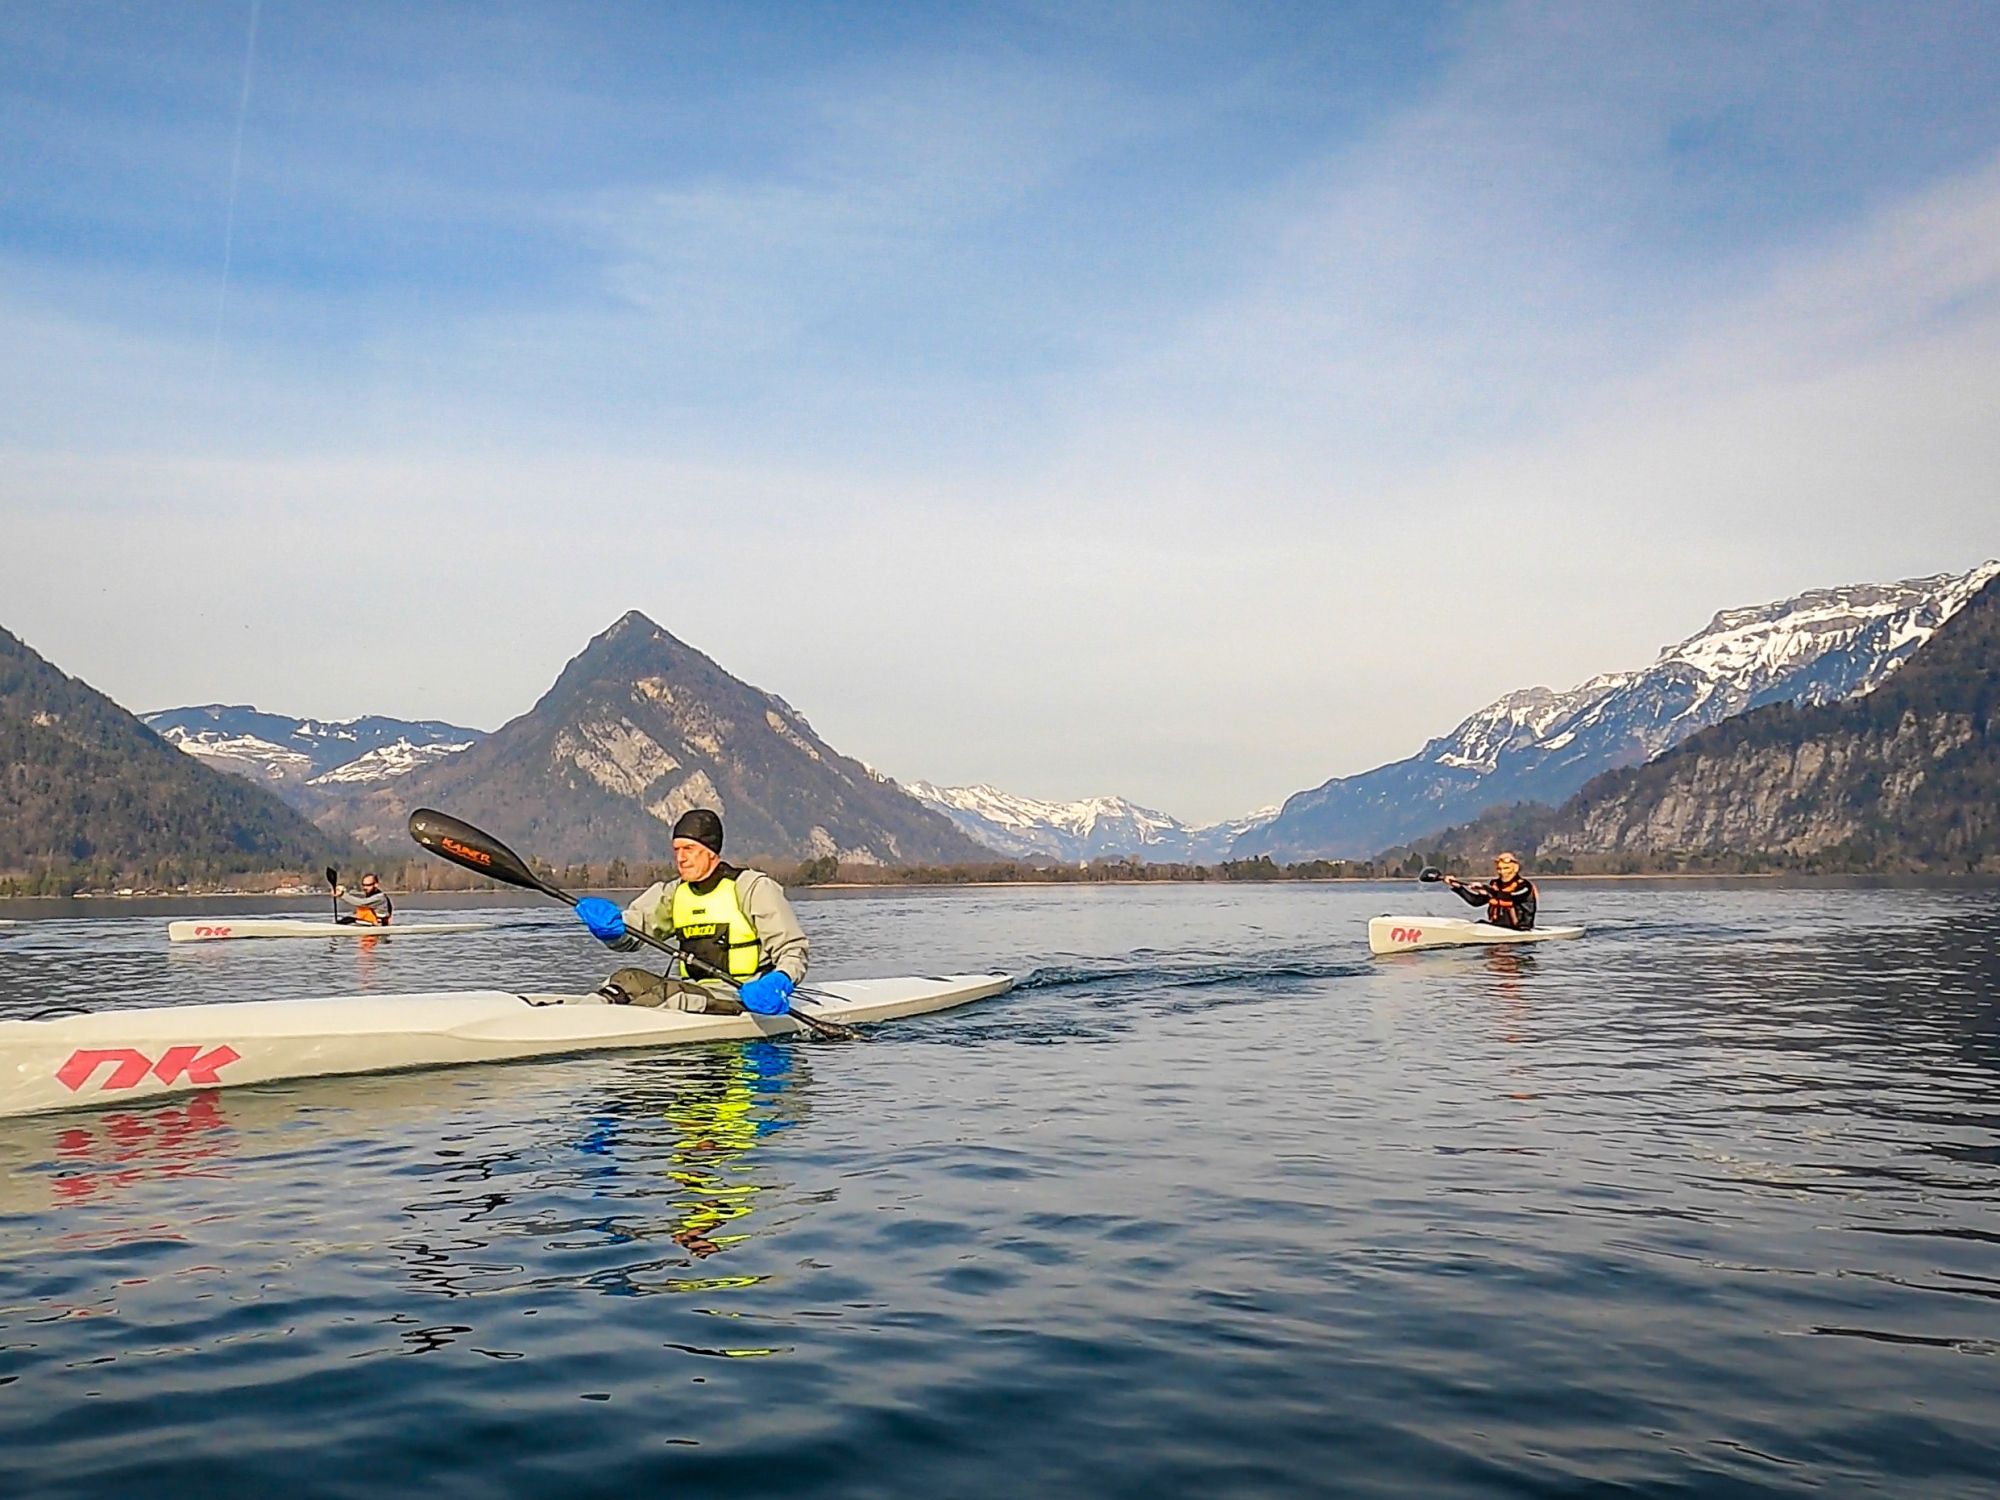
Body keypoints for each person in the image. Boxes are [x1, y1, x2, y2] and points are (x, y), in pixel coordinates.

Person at [571, 809, 809, 1016]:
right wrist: (610, 931)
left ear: (711, 851)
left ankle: (603, 1019)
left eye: (689, 849)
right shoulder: (672, 893)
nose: (681, 858)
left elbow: (792, 950)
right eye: (676, 850)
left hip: (743, 996)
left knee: (670, 995)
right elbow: (631, 936)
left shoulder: (752, 888)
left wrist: (780, 981)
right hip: (693, 992)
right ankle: (584, 1013)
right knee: (625, 979)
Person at [1444, 851, 1537, 930]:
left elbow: (1511, 896)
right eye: (1499, 869)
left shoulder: (1525, 886)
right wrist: (1458, 887)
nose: (1503, 872)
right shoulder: (1495, 885)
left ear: (1515, 868)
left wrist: (1485, 889)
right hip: (1497, 927)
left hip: (1520, 929)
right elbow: (1475, 902)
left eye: (1506, 868)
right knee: (1480, 922)